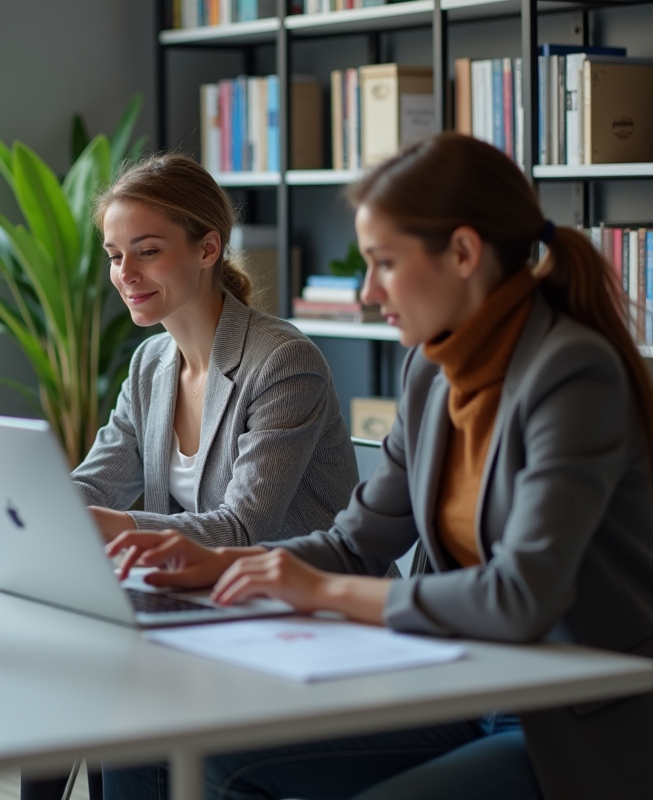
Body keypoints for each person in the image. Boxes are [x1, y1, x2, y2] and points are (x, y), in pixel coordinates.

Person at [103, 133, 653, 800]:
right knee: (201, 750)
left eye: (384, 263)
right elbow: (354, 541)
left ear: (462, 253)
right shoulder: (433, 368)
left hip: (569, 714)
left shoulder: (571, 372)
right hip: (463, 680)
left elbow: (519, 596)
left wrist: (321, 591)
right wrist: (220, 563)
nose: (367, 290)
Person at [72, 154, 358, 547]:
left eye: (148, 251)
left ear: (208, 249)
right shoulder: (149, 365)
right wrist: (22, 518)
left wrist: (125, 527)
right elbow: (96, 485)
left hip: (319, 599)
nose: (126, 274)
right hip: (209, 593)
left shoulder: (283, 361)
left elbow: (242, 529)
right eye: (115, 256)